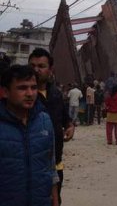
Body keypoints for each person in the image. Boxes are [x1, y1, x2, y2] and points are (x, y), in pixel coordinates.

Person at [0, 65, 59, 206]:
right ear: (5, 92)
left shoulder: (44, 120)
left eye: (33, 88)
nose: (30, 93)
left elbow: (50, 167)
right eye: (22, 88)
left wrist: (55, 201)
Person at [29, 47, 74, 205]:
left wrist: (69, 126)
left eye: (41, 66)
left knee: (55, 200)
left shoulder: (55, 93)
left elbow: (64, 117)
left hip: (56, 162)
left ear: (50, 69)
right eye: (32, 66)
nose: (36, 70)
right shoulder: (24, 97)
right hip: (33, 165)